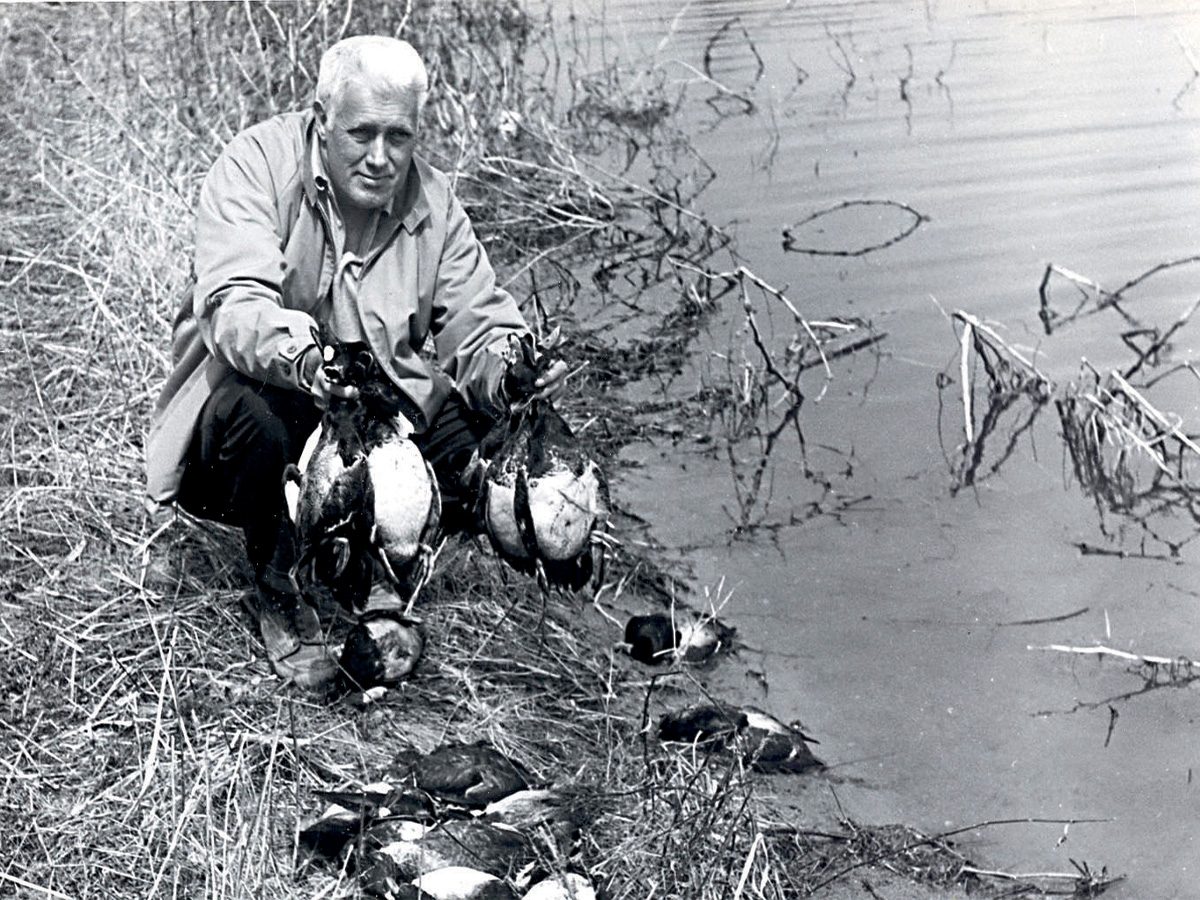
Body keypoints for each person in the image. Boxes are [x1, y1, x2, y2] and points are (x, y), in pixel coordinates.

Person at [145, 36, 567, 689]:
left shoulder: (433, 201)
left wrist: (514, 369)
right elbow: (234, 305)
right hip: (257, 409)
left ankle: (373, 559)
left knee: (487, 448)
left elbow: (479, 320)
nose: (380, 158)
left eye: (398, 137)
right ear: (320, 118)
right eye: (360, 133)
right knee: (261, 417)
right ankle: (278, 591)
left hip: (377, 414)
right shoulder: (254, 165)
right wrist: (311, 359)